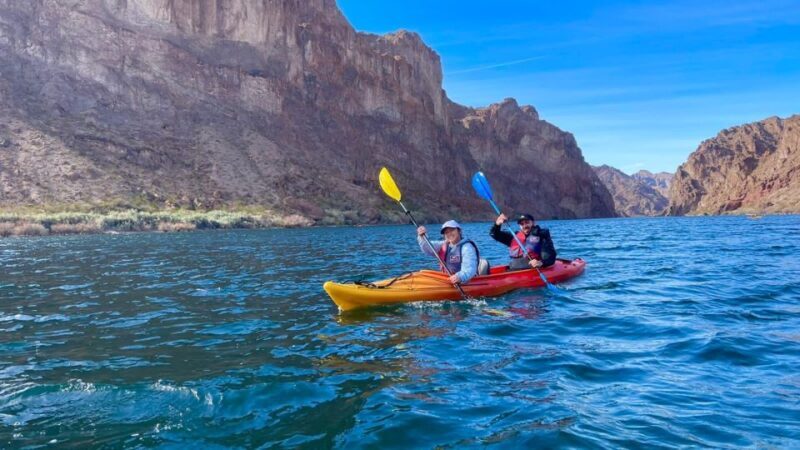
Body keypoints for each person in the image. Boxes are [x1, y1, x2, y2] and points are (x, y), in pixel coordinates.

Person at [417, 220, 482, 285]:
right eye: (446, 232)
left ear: (459, 231)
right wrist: (422, 237)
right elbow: (427, 247)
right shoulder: (444, 244)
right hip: (448, 279)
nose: (449, 233)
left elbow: (469, 268)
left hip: (465, 281)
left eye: (452, 230)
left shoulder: (467, 247)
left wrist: (459, 277)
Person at [490, 213, 557, 270]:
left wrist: (541, 263)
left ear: (533, 223)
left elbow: (550, 257)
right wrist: (497, 224)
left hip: (532, 270)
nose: (525, 226)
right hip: (513, 270)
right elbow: (494, 234)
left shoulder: (542, 235)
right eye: (522, 224)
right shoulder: (514, 236)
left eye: (527, 222)